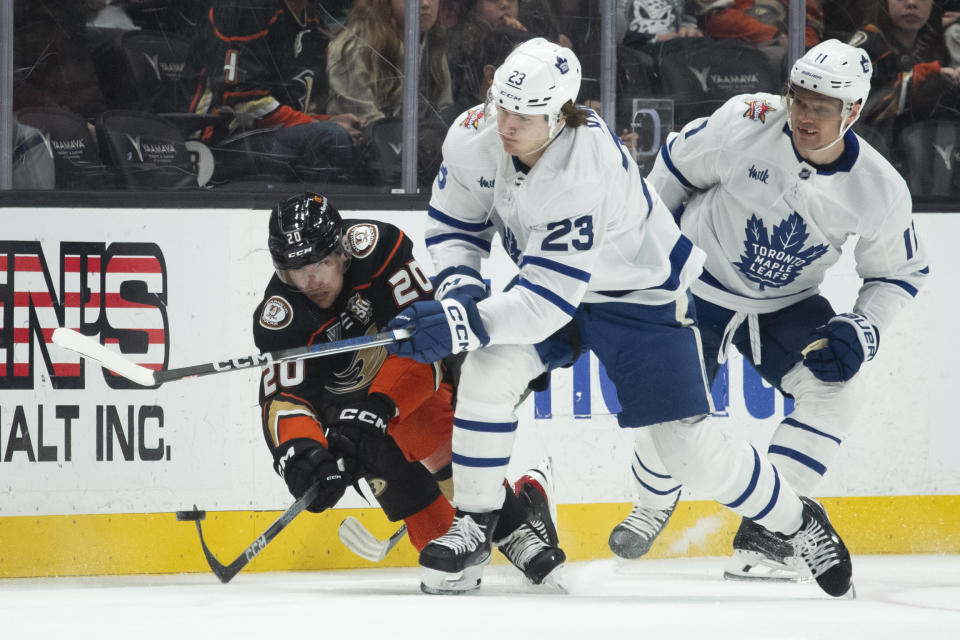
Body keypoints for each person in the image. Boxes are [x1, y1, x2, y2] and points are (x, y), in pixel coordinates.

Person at [385, 37, 853, 598]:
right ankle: (476, 521)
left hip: (639, 296)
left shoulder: (584, 170)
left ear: (559, 116)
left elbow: (543, 305)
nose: (505, 125)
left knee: (687, 449)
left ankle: (797, 523)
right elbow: (455, 227)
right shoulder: (474, 134)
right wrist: (460, 292)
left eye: (524, 115)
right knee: (490, 369)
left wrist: (460, 324)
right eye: (500, 106)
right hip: (553, 285)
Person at [608, 39, 928, 582]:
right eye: (799, 99)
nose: (804, 115)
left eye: (822, 108)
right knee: (668, 406)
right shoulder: (744, 121)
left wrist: (864, 326)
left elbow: (899, 273)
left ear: (852, 112)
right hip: (699, 287)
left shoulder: (880, 188)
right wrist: (648, 264)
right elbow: (670, 175)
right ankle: (653, 498)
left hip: (787, 305)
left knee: (838, 392)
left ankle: (771, 530)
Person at [253, 192, 565, 584]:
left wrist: (380, 406)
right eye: (298, 269)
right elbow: (286, 400)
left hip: (414, 383)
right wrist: (306, 455)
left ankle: (517, 530)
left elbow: (425, 346)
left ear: (342, 252)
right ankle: (525, 502)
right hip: (349, 414)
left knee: (425, 426)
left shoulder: (378, 252)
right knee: (445, 559)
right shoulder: (280, 318)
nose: (312, 279)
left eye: (321, 263)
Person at [185, 0, 362, 183]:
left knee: (366, 140)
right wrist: (318, 125)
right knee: (332, 138)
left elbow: (293, 112)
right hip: (216, 146)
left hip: (267, 138)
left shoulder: (313, 22)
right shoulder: (246, 8)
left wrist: (328, 121)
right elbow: (245, 104)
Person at [850, 0, 960, 133]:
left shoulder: (936, 42)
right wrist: (918, 79)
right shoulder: (866, 47)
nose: (912, 3)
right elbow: (855, 113)